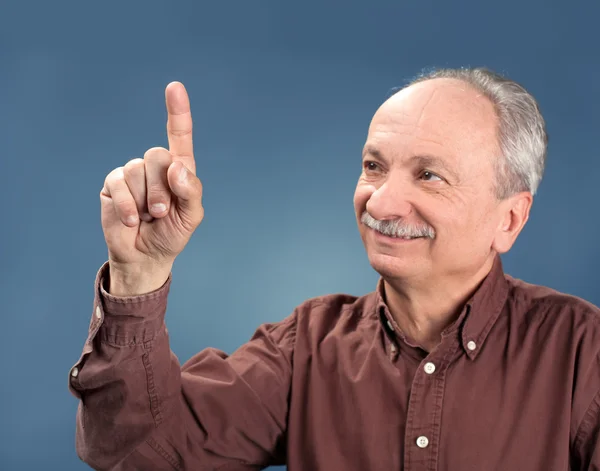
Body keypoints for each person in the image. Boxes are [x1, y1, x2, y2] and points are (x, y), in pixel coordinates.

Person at [68, 67, 600, 471]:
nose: (382, 203)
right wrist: (140, 271)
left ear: (509, 218)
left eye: (430, 175)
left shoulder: (582, 353)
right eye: (374, 166)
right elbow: (140, 454)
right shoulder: (306, 348)